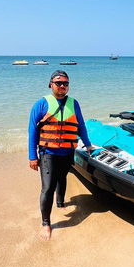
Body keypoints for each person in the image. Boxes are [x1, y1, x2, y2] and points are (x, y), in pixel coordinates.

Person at [28, 70, 94, 241]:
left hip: (67, 152)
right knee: (48, 187)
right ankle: (46, 223)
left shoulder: (74, 103)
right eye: (59, 83)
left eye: (66, 83)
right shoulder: (41, 104)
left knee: (62, 177)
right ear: (51, 84)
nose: (62, 86)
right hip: (47, 152)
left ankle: (60, 203)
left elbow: (81, 126)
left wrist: (88, 145)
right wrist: (32, 156)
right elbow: (32, 131)